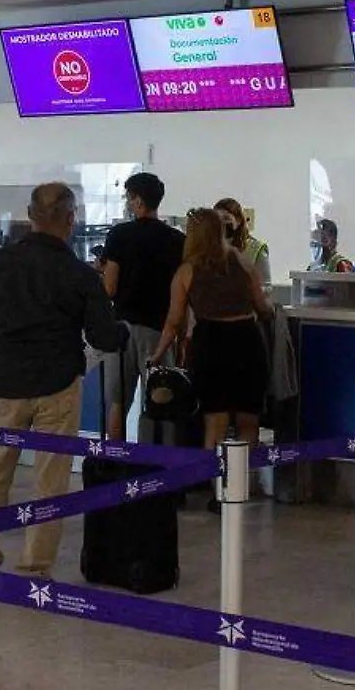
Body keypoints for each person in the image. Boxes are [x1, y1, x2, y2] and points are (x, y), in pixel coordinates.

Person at [0, 183, 125, 578]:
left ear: (29, 215)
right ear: (70, 220)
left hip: (6, 384)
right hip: (57, 387)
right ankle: (34, 566)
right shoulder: (78, 273)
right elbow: (104, 336)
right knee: (49, 480)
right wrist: (122, 332)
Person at [153, 209, 272, 509]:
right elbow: (263, 307)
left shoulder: (187, 271)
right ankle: (239, 486)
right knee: (248, 420)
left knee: (214, 423)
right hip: (247, 341)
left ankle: (218, 489)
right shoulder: (243, 262)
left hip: (211, 343)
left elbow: (174, 320)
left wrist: (156, 354)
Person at [101, 172, 183, 437]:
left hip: (122, 330)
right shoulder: (176, 240)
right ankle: (154, 461)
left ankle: (116, 460)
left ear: (137, 201)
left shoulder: (119, 235)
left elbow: (109, 288)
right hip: (160, 332)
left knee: (117, 401)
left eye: (128, 197)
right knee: (160, 401)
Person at [214, 197, 271, 285]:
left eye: (226, 218)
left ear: (239, 220)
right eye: (217, 219)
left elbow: (266, 286)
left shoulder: (255, 248)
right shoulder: (210, 248)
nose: (222, 223)